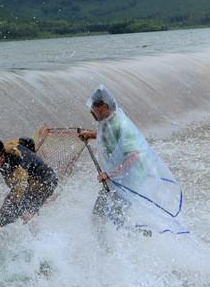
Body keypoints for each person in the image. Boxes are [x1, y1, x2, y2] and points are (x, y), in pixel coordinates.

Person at [79, 85, 188, 235]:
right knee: (99, 215)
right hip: (116, 179)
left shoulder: (122, 125)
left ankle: (143, 234)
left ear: (104, 106)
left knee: (116, 220)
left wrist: (110, 174)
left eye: (94, 109)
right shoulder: (108, 121)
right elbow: (111, 139)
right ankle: (109, 244)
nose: (91, 112)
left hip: (128, 180)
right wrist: (91, 135)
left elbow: (134, 155)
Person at [0, 137, 58, 234]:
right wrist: (32, 153)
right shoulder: (6, 148)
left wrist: (19, 210)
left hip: (45, 183)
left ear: (0, 158)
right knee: (23, 207)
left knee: (19, 207)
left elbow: (16, 194)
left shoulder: (19, 166)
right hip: (36, 181)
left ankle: (40, 236)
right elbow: (26, 140)